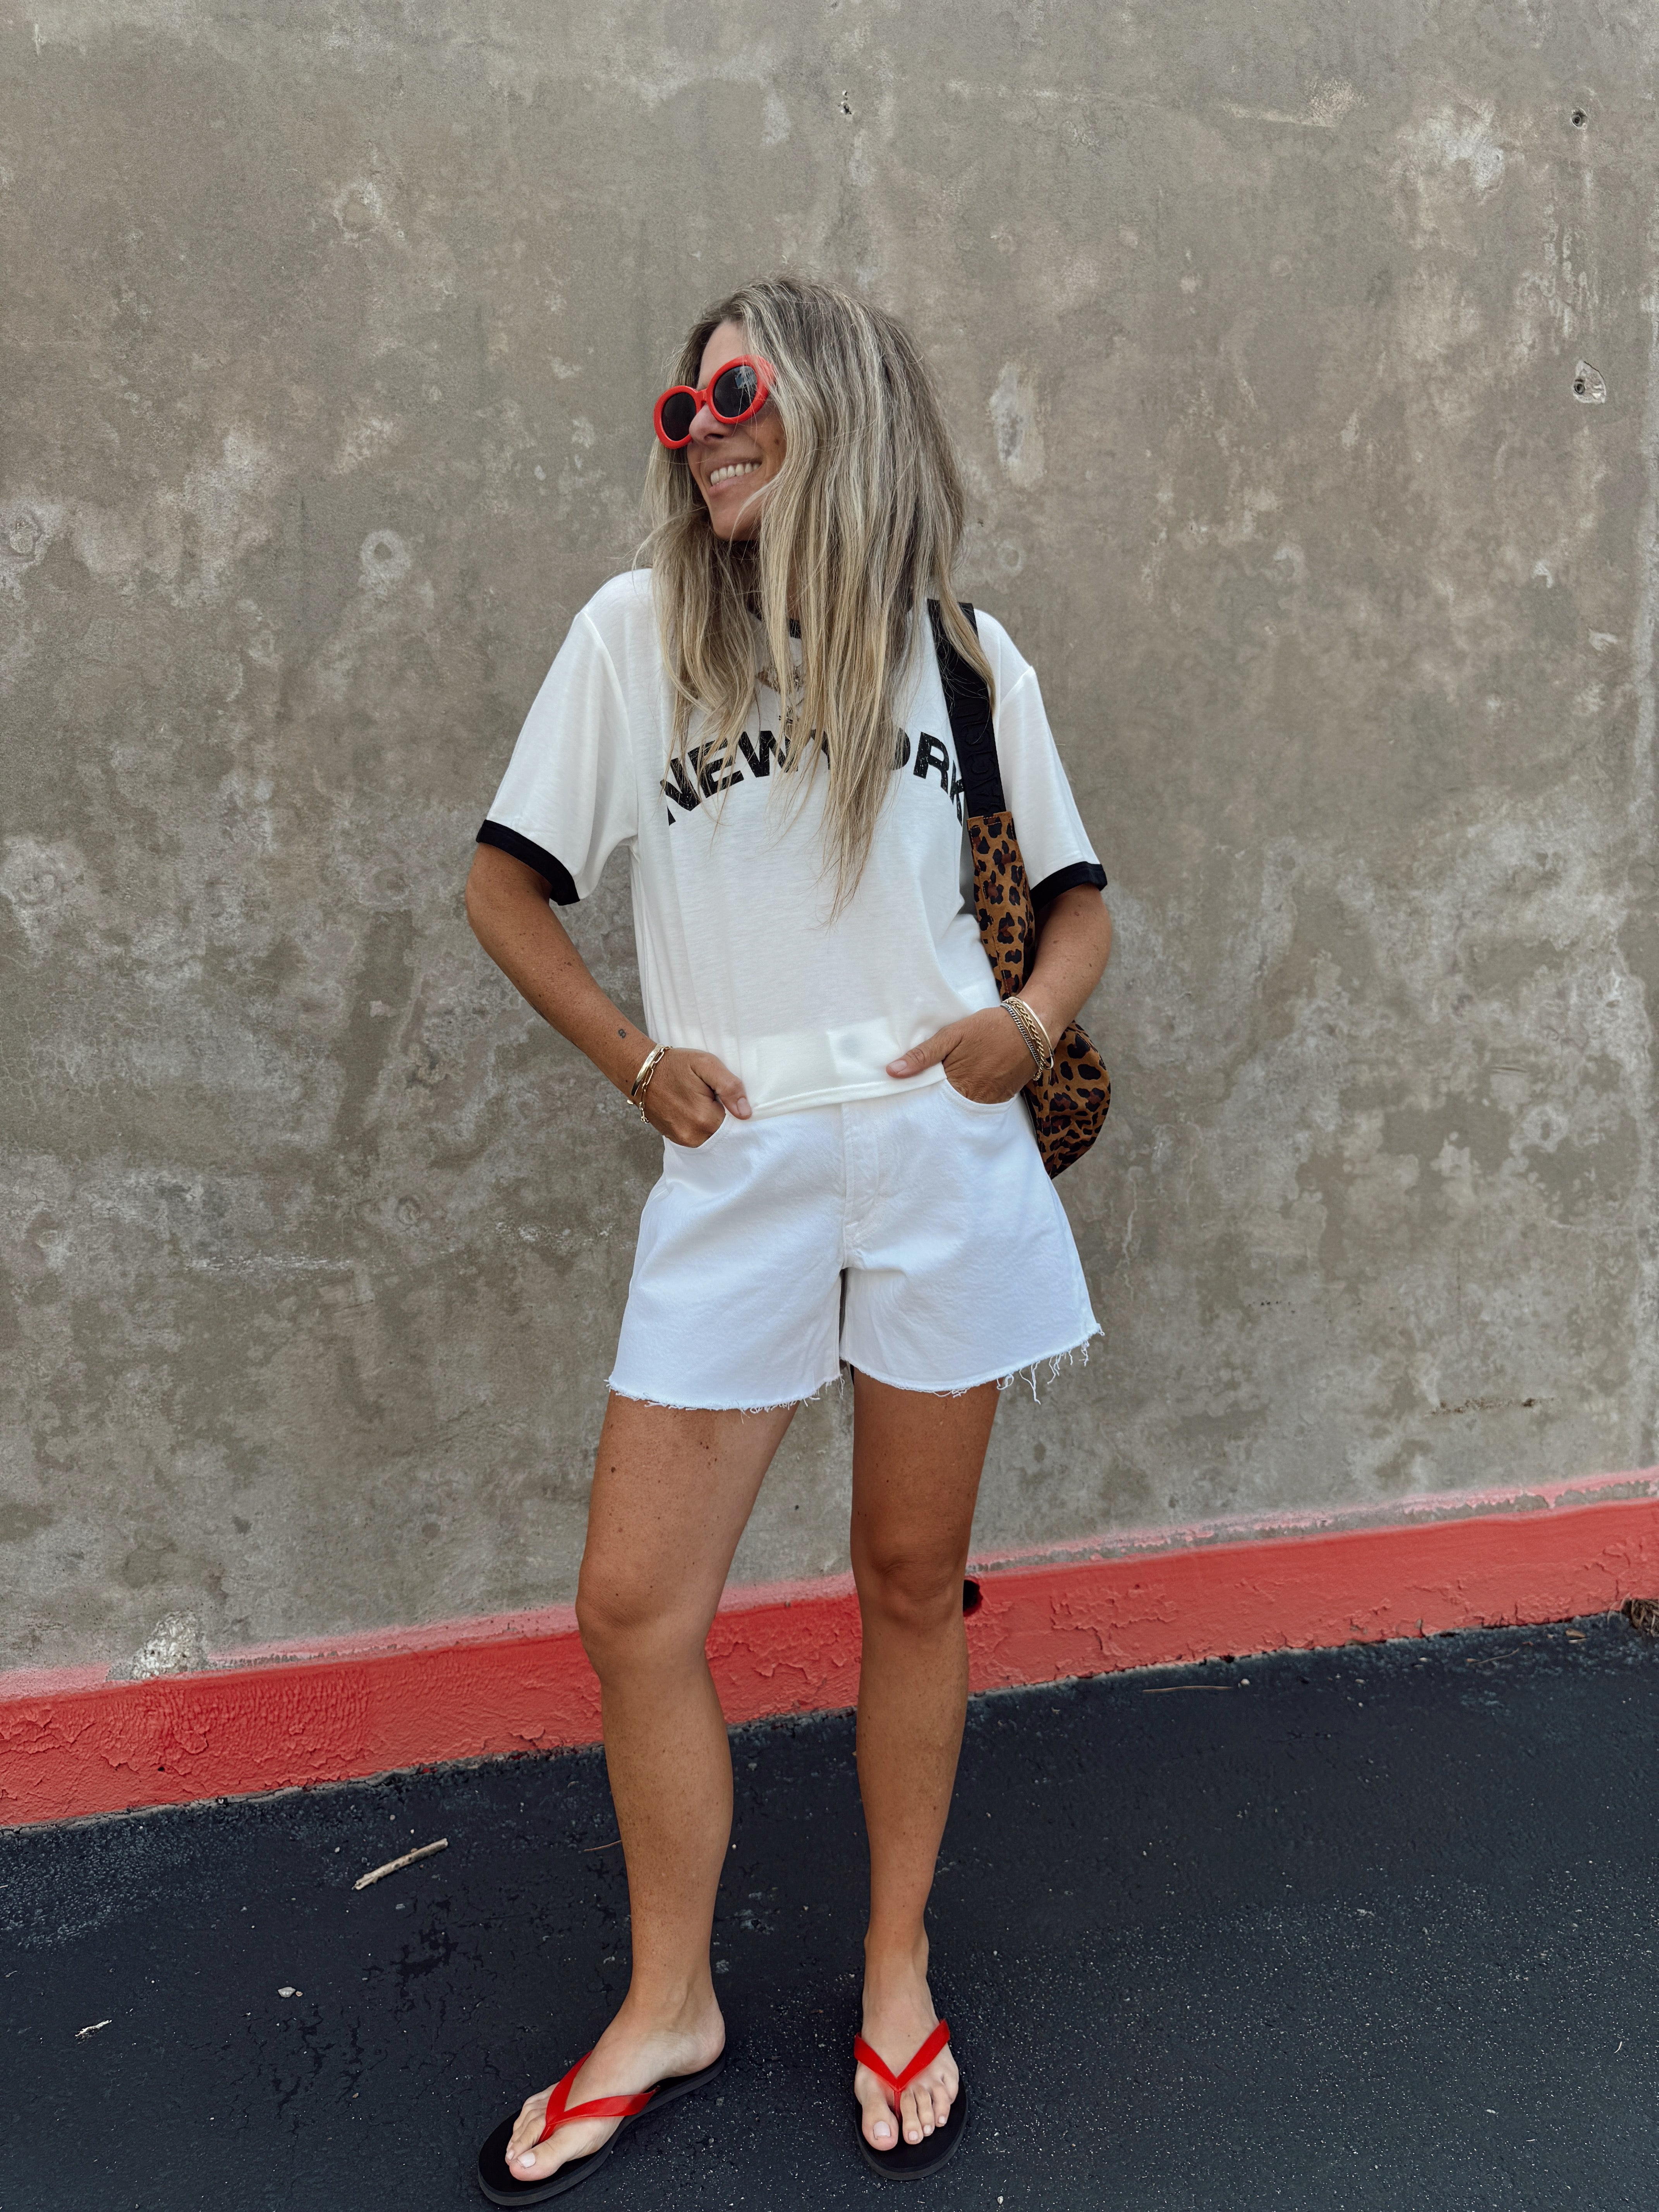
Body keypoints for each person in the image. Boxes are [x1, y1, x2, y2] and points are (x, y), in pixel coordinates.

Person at [465, 275, 1112, 2198]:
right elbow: (506, 886)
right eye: (680, 409)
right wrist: (632, 1057)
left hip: (937, 1159)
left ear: (835, 403)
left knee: (911, 1582)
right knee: (635, 1608)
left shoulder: (965, 659)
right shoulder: (635, 635)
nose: (701, 432)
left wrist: (1028, 1029)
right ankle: (670, 1998)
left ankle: (895, 1964)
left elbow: (1077, 901)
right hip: (738, 1166)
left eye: (734, 392)